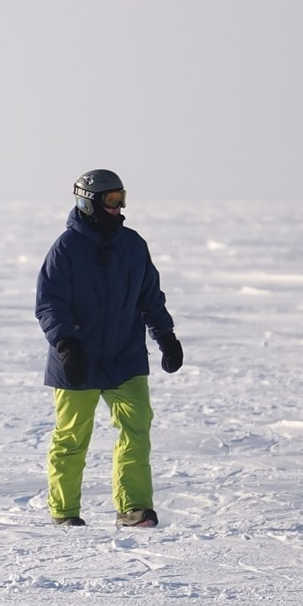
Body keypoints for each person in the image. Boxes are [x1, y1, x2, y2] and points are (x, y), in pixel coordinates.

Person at [34, 168, 182, 528]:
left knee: (136, 431)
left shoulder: (133, 245)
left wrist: (166, 336)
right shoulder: (66, 248)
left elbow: (150, 298)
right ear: (89, 203)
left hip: (124, 357)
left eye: (122, 200)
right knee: (71, 438)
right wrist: (67, 344)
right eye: (111, 201)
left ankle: (134, 508)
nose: (118, 208)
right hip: (78, 360)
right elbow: (49, 303)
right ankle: (65, 512)